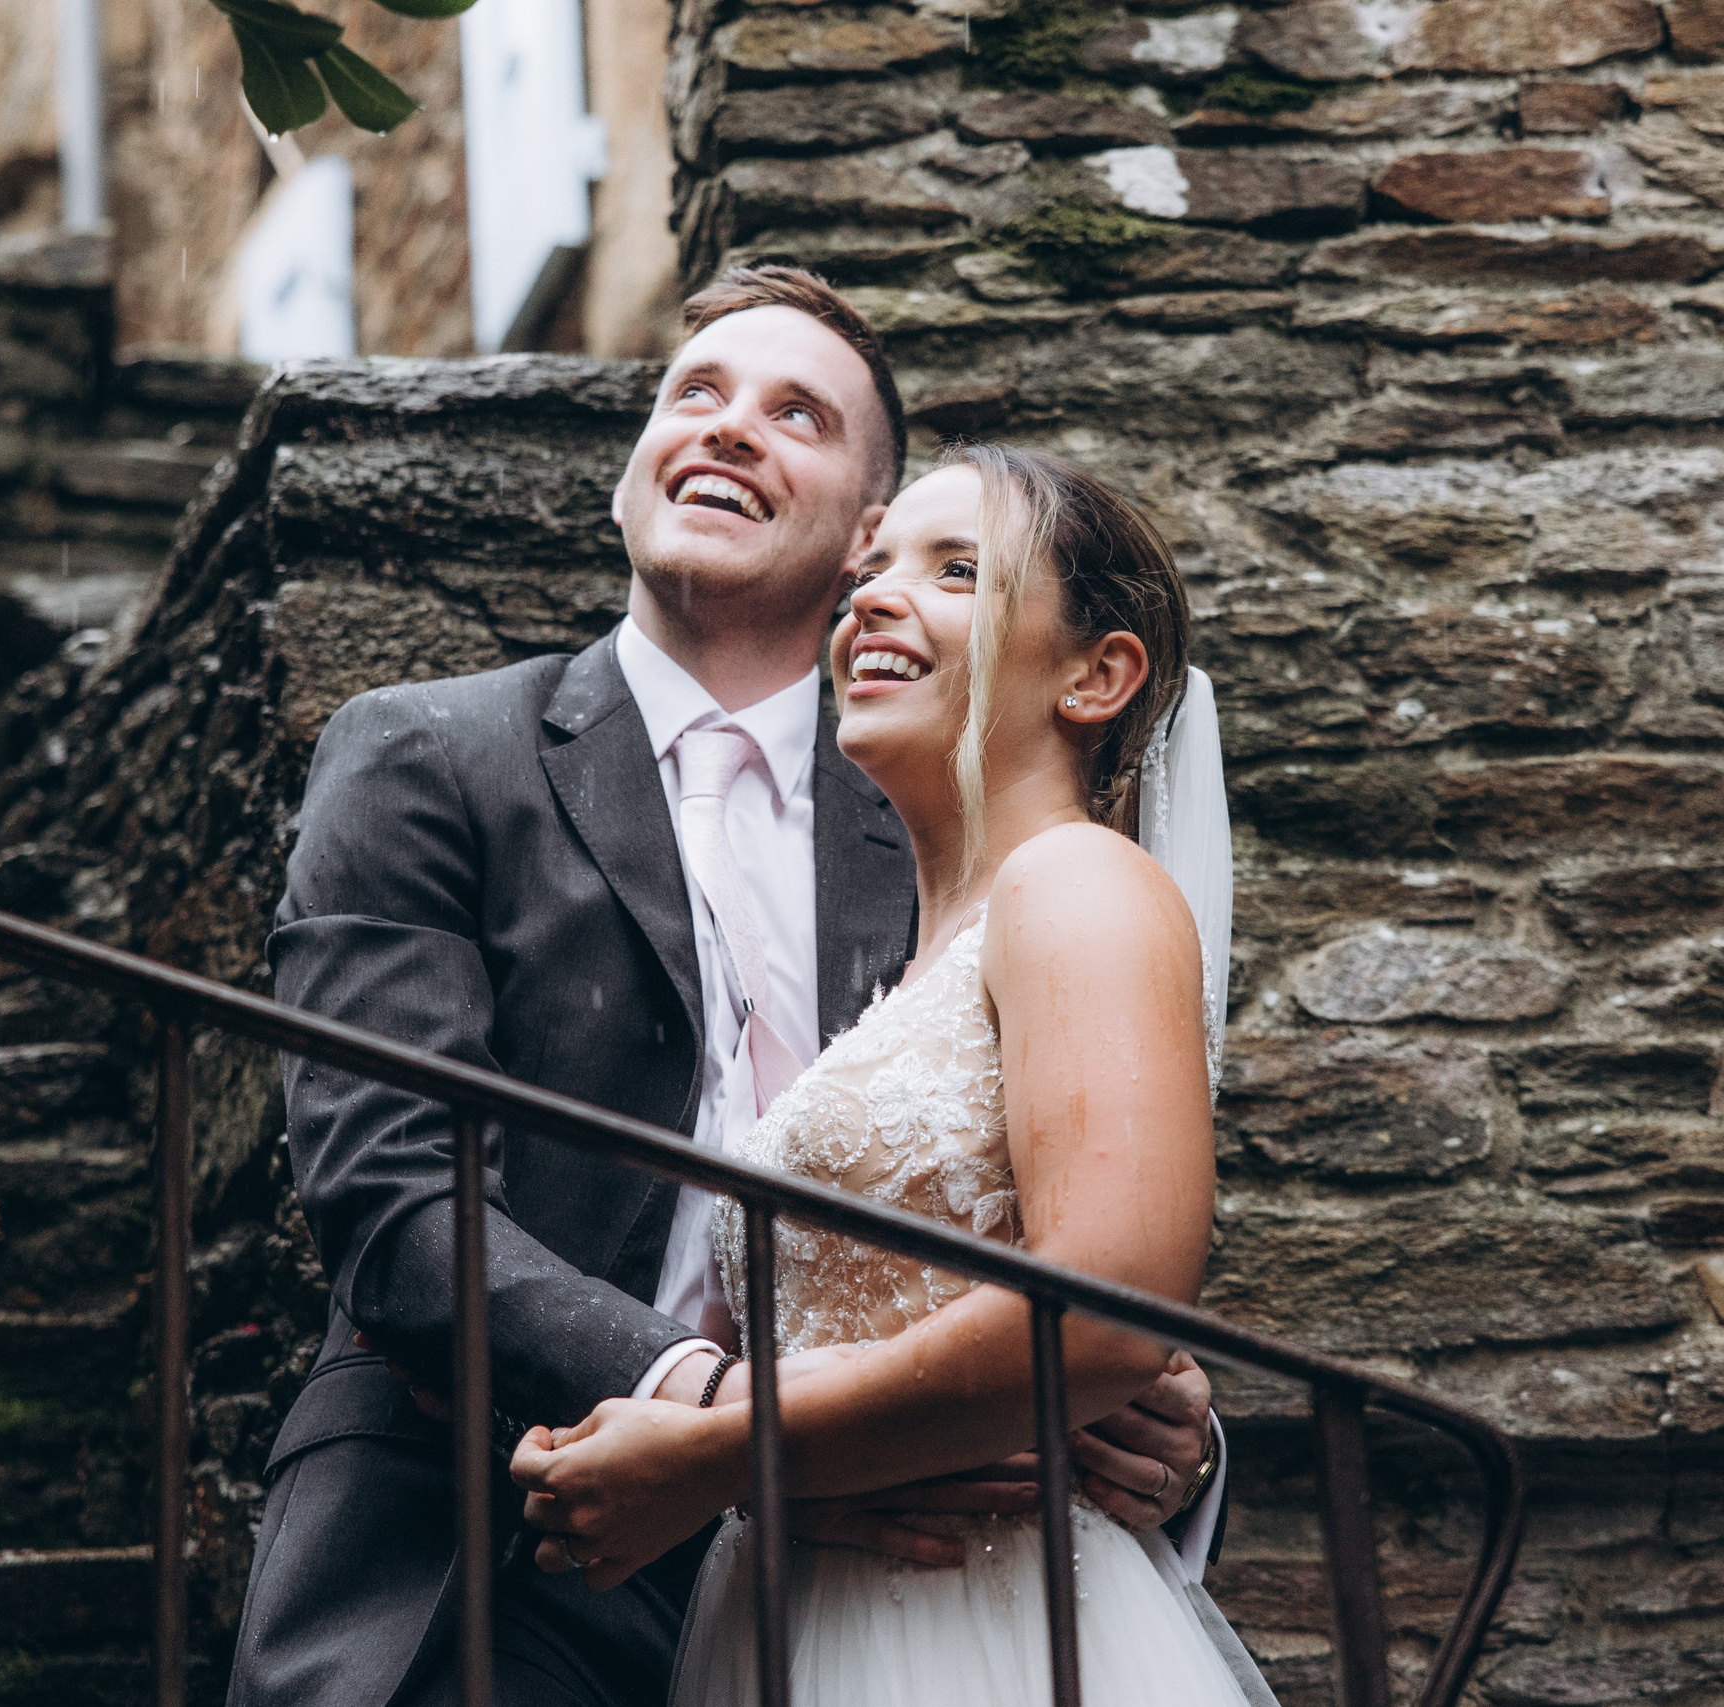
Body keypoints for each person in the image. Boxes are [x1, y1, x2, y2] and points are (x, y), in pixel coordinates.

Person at [230, 269, 1227, 1707]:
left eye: (797, 413)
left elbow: (1079, 1226)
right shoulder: (425, 755)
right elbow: (394, 1200)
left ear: (866, 529)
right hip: (501, 1548)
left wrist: (1163, 1427)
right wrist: (721, 1421)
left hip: (905, 1555)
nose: (730, 428)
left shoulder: (967, 828)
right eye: (693, 393)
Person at [509, 445, 1272, 1707]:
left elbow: (1108, 1302)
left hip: (980, 1631)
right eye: (869, 569)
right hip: (817, 1619)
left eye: (955, 570)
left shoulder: (1076, 884)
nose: (868, 597)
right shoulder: (918, 966)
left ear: (1098, 674)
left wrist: (716, 1455)